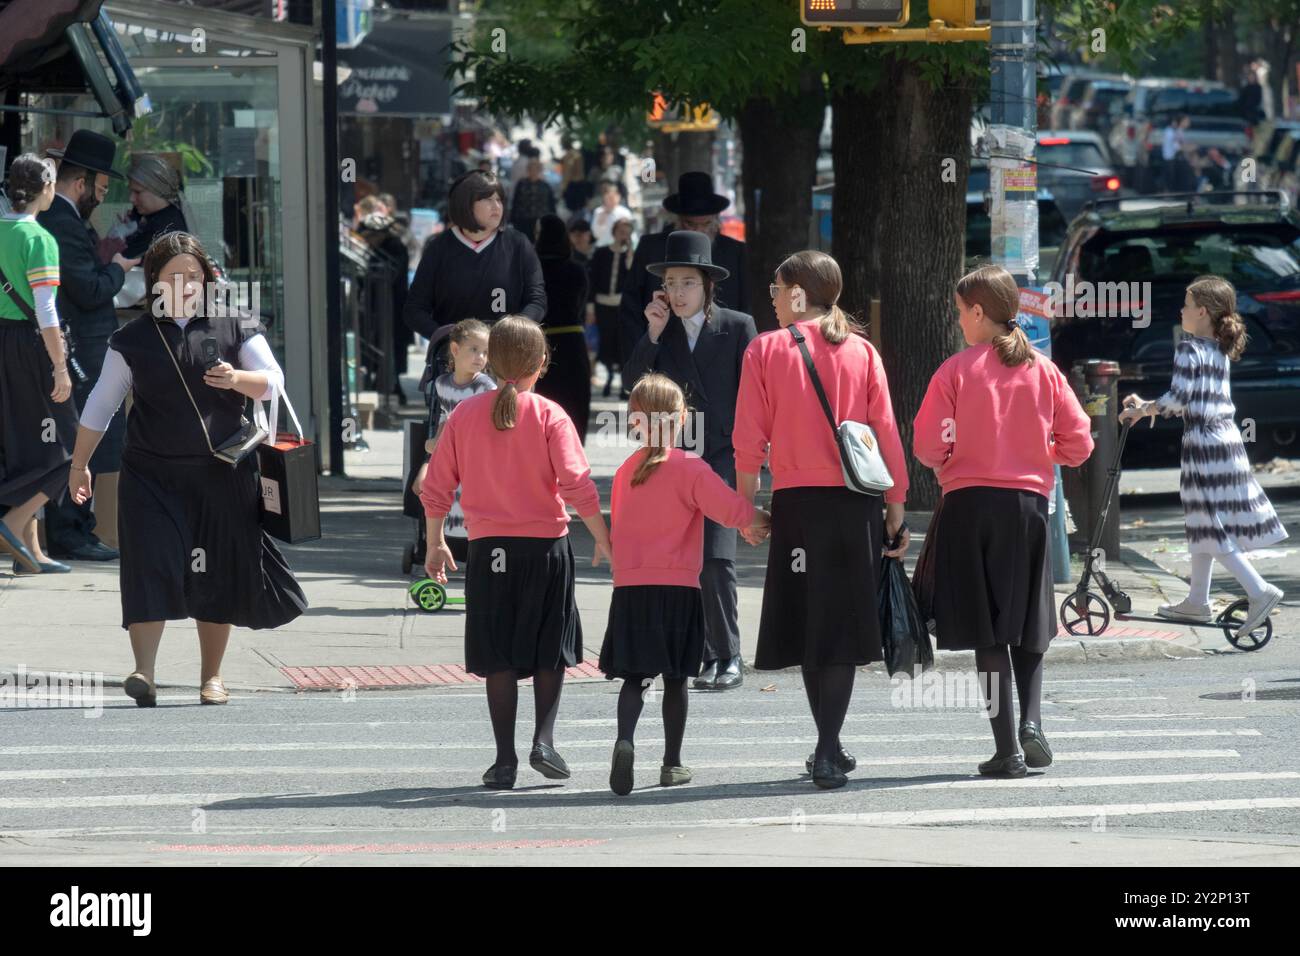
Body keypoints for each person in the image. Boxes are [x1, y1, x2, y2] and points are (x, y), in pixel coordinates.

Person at [68, 232, 307, 707]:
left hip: (222, 474)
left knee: (216, 571)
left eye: (193, 276)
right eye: (174, 276)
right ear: (154, 281)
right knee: (148, 566)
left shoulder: (233, 323)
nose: (185, 284)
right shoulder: (132, 338)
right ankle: (144, 672)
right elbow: (101, 403)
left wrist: (238, 379)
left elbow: (273, 383)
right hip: (150, 476)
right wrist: (79, 464)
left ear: (206, 279)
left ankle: (212, 677)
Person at [732, 250, 909, 789]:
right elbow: (885, 435)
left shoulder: (764, 350)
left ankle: (828, 746)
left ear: (799, 294)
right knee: (841, 626)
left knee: (812, 624)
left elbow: (747, 439)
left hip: (798, 506)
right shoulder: (862, 352)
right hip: (856, 504)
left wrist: (747, 508)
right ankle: (829, 746)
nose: (772, 294)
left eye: (776, 286)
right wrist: (895, 511)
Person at [914, 264, 1094, 778]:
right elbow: (1079, 445)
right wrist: (1041, 452)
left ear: (977, 312)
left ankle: (1005, 751)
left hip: (969, 508)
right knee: (1029, 623)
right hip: (1029, 508)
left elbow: (928, 444)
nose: (958, 322)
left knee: (987, 632)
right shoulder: (1043, 369)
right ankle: (1033, 723)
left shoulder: (955, 370)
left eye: (959, 312)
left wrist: (951, 459)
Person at [421, 315, 613, 791]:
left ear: (493, 358)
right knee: (551, 650)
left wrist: (435, 541)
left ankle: (503, 760)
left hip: (489, 552)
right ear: (542, 363)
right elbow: (577, 485)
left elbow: (436, 486)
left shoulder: (463, 415)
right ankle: (543, 742)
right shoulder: (551, 415)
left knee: (499, 655)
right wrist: (605, 540)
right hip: (546, 549)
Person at [600, 373, 770, 795]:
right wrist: (763, 521)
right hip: (678, 589)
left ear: (635, 421)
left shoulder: (625, 472)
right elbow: (730, 510)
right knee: (676, 679)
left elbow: (620, 527)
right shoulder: (691, 468)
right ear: (679, 420)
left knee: (635, 677)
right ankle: (672, 762)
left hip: (631, 589)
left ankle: (625, 738)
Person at [623, 230, 757, 691]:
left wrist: (754, 454)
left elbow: (755, 393)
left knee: (717, 556)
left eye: (688, 283)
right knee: (685, 559)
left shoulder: (738, 326)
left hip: (722, 453)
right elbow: (634, 386)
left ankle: (731, 654)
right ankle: (701, 651)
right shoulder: (661, 331)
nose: (678, 293)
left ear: (708, 285)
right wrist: (653, 333)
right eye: (671, 283)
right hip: (672, 457)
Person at [1120, 275, 1287, 639]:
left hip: (1204, 445)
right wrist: (1148, 406)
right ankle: (1197, 601)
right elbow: (1193, 398)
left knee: (1208, 525)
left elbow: (1178, 401)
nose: (1180, 309)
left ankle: (1259, 590)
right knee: (1203, 521)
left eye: (1185, 302)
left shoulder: (1188, 349)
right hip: (1226, 440)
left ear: (1202, 311)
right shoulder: (1217, 349)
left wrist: (1141, 409)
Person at [38, 130, 139, 563]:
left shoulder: (64, 220)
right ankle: (70, 531)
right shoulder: (61, 222)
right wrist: (117, 269)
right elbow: (89, 289)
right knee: (81, 437)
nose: (100, 198)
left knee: (87, 437)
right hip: (81, 350)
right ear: (80, 183)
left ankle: (78, 528)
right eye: (99, 190)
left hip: (83, 348)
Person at [0, 154, 77, 574]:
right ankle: (12, 523)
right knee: (75, 444)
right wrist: (60, 365)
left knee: (25, 446)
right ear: (46, 189)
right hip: (32, 347)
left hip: (2, 342)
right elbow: (46, 311)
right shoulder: (40, 239)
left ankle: (29, 553)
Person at [403, 170, 546, 382]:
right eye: (488, 199)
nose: (497, 206)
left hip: (506, 362)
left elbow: (537, 300)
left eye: (499, 199)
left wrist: (514, 332)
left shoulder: (518, 244)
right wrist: (448, 337)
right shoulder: (439, 248)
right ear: (466, 204)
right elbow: (414, 310)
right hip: (454, 367)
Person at [619, 172, 748, 378]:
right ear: (678, 220)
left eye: (705, 224)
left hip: (719, 361)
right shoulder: (651, 248)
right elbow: (630, 309)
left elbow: (744, 304)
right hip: (664, 359)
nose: (699, 231)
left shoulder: (735, 252)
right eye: (691, 224)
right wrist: (642, 351)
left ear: (715, 220)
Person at [411, 318, 495, 561]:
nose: (480, 357)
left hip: (474, 458)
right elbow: (447, 419)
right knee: (431, 489)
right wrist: (435, 442)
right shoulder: (442, 384)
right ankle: (439, 546)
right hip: (451, 455)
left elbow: (485, 427)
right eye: (474, 350)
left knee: (470, 503)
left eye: (485, 352)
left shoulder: (485, 387)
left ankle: (476, 549)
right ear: (456, 350)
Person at [532, 214, 592, 441]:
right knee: (573, 404)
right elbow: (580, 306)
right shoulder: (577, 270)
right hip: (572, 343)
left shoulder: (531, 270)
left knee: (542, 405)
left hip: (538, 343)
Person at [587, 215, 634, 397]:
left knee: (621, 344)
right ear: (614, 232)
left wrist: (629, 252)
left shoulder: (630, 255)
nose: (623, 235)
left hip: (620, 306)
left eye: (627, 233)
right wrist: (591, 307)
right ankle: (607, 377)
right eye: (621, 231)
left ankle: (623, 383)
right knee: (605, 343)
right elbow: (593, 280)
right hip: (602, 304)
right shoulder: (601, 252)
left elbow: (631, 277)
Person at [120, 155, 188, 260]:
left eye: (138, 192)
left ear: (157, 191)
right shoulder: (157, 219)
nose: (131, 198)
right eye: (131, 192)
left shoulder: (166, 229)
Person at [510, 158, 555, 242]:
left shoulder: (545, 186)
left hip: (539, 221)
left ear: (539, 170)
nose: (533, 171)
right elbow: (515, 202)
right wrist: (512, 219)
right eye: (531, 168)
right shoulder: (521, 184)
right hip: (523, 220)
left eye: (536, 169)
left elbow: (551, 204)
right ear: (528, 169)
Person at [590, 181, 632, 247]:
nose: (611, 199)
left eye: (613, 196)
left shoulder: (625, 212)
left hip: (620, 246)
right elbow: (595, 234)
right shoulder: (598, 211)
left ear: (618, 197)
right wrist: (602, 219)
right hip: (603, 246)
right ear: (604, 197)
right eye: (609, 197)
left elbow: (629, 232)